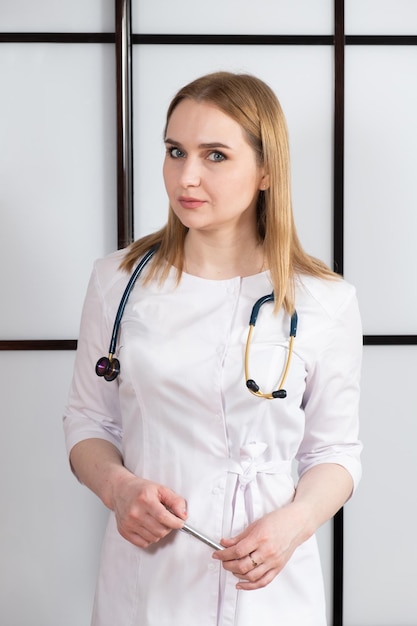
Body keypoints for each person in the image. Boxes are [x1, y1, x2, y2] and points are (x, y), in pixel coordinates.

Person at [63, 71, 362, 626]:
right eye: (175, 152)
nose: (187, 176)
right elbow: (87, 422)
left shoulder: (326, 301)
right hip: (148, 577)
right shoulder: (119, 281)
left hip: (270, 579)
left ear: (267, 168)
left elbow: (336, 453)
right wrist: (118, 487)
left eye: (215, 155)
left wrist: (293, 525)